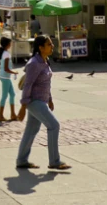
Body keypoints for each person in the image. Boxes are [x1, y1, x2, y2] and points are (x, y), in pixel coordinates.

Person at [16, 35, 71, 170]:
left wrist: (50, 99)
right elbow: (28, 85)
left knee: (31, 130)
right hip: (34, 101)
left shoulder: (44, 61)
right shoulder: (34, 63)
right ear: (40, 48)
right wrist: (23, 107)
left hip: (41, 101)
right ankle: (54, 161)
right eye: (49, 44)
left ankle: (21, 160)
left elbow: (45, 83)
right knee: (54, 125)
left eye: (51, 44)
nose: (52, 46)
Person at [0, 37, 19, 122]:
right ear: (7, 45)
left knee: (12, 94)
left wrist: (2, 70)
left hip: (3, 76)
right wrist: (14, 72)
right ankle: (0, 115)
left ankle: (13, 114)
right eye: (10, 43)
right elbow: (6, 68)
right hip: (5, 77)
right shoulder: (6, 54)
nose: (11, 44)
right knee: (4, 96)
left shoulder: (2, 53)